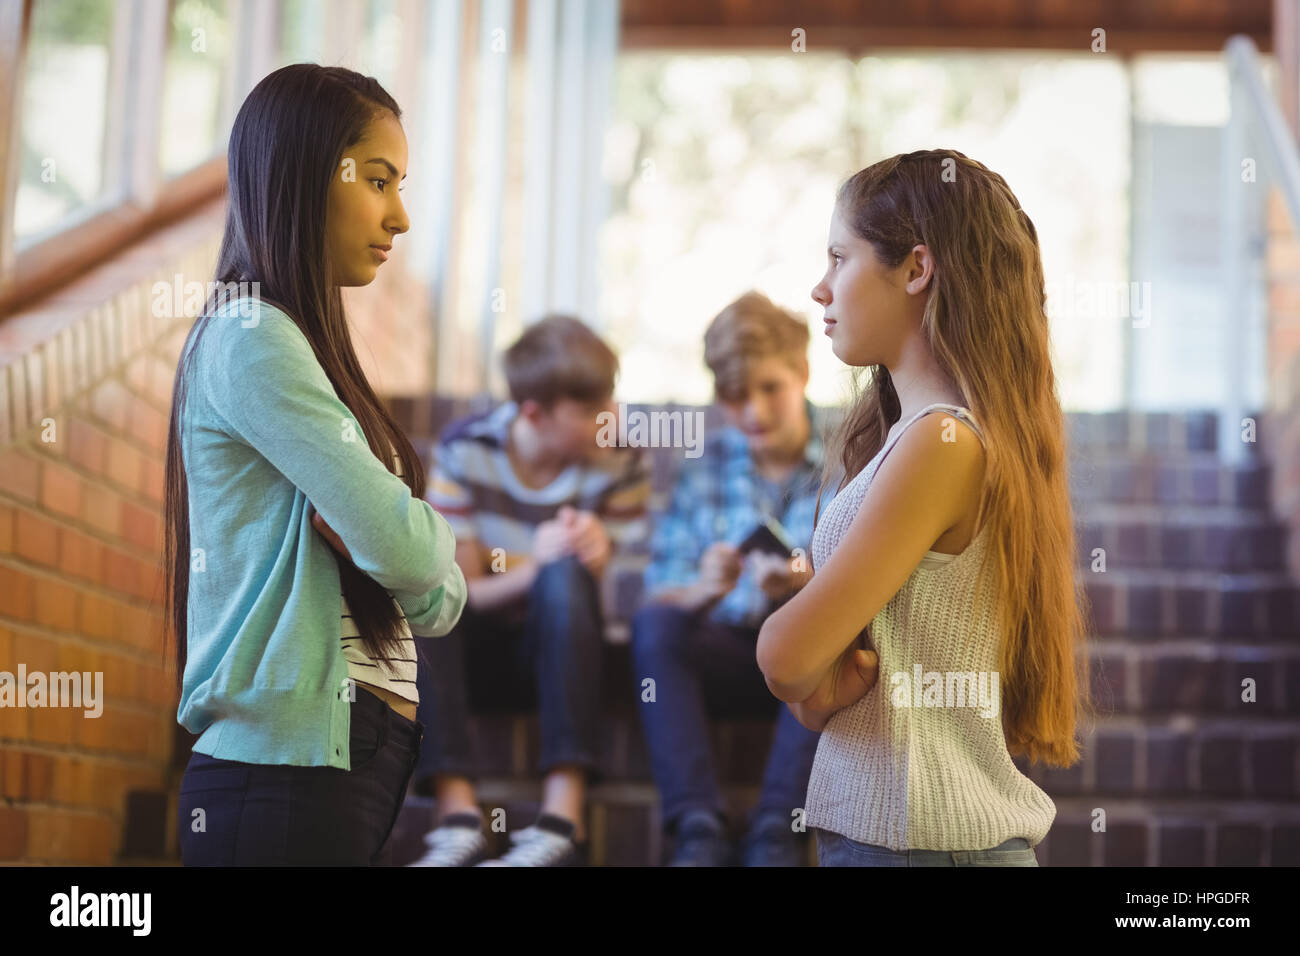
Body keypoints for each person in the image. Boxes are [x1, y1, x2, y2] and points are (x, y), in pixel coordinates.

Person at [756, 149, 1094, 866]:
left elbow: (787, 656)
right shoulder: (917, 439)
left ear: (915, 269)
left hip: (922, 845)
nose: (820, 289)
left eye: (839, 258)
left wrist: (797, 660)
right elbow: (816, 690)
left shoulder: (942, 442)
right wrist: (815, 684)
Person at [166, 64, 467, 866]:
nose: (399, 217)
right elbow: (409, 555)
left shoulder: (295, 344)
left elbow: (441, 604)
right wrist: (416, 536)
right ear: (304, 174)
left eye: (400, 185)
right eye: (378, 181)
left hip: (335, 762)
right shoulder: (250, 335)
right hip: (283, 774)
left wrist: (405, 535)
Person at [406, 315, 650, 867]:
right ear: (533, 412)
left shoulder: (622, 458)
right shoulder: (465, 450)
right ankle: (457, 816)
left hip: (568, 650)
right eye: (590, 411)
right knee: (420, 591)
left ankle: (563, 817)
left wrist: (604, 562)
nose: (611, 417)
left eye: (610, 399)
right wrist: (535, 564)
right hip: (475, 648)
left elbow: (633, 602)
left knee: (565, 575)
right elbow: (457, 589)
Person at [631, 291, 830, 866]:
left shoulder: (853, 457)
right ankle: (697, 827)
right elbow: (658, 593)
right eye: (735, 396)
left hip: (806, 656)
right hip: (725, 648)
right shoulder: (705, 468)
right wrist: (704, 588)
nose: (753, 412)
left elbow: (871, 582)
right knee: (656, 626)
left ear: (803, 373)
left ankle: (777, 829)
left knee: (837, 630)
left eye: (770, 389)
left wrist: (802, 582)